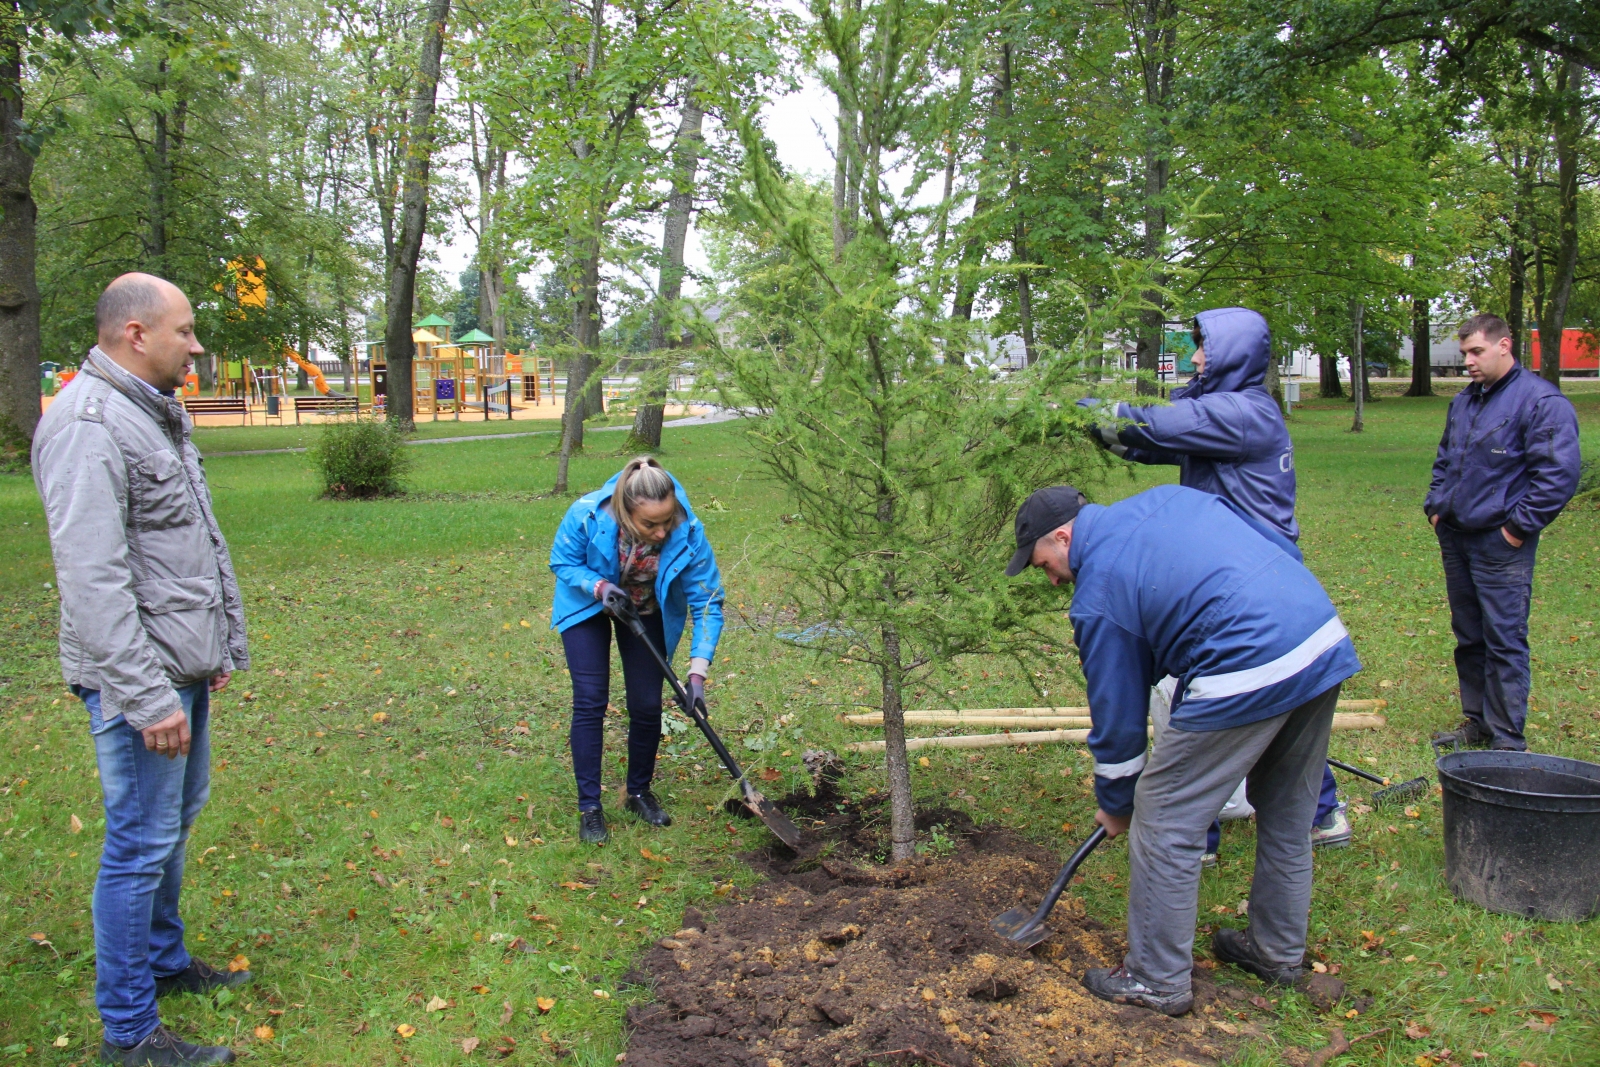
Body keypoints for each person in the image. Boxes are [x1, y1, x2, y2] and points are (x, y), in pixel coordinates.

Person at [1006, 484, 1361, 1015]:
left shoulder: (1098, 592)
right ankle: (1276, 952)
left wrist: (1119, 799)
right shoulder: (1170, 500)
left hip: (1248, 658)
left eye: (1044, 564)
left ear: (1063, 535)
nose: (1053, 578)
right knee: (1288, 809)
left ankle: (1155, 978)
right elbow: (1274, 547)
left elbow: (1118, 714)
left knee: (1165, 815)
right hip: (1315, 635)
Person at [32, 274, 251, 1066]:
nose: (196, 345)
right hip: (139, 680)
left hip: (177, 664)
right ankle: (131, 1031)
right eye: (185, 331)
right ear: (134, 332)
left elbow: (181, 548)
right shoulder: (90, 426)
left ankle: (164, 960)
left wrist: (212, 645)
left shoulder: (149, 412)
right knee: (138, 840)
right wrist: (147, 693)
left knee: (172, 822)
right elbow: (93, 578)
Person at [1081, 307, 1347, 854]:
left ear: (1235, 354)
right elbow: (1149, 441)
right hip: (1229, 570)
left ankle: (1205, 833)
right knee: (1259, 700)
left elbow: (1154, 423)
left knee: (1207, 692)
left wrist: (1085, 411)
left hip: (1246, 573)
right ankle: (1302, 817)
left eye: (1205, 349)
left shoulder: (1243, 412)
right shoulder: (1219, 411)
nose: (1196, 358)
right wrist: (1104, 433)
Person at [549, 457, 725, 845]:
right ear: (626, 512)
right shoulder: (587, 515)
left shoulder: (689, 531)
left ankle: (638, 793)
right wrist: (597, 587)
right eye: (650, 524)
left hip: (645, 608)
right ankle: (590, 808)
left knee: (647, 704)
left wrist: (697, 674)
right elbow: (562, 561)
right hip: (588, 603)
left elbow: (708, 602)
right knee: (591, 700)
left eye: (667, 520)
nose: (662, 532)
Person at [1425, 314, 1581, 751]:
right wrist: (1436, 507)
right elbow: (1445, 458)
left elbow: (1557, 476)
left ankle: (1507, 739)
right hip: (1456, 536)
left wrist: (1516, 529)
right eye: (1465, 354)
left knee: (1504, 638)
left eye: (1476, 352)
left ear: (1504, 346)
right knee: (1470, 636)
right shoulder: (1465, 401)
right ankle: (1476, 720)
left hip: (1500, 544)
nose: (1468, 362)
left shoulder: (1541, 402)